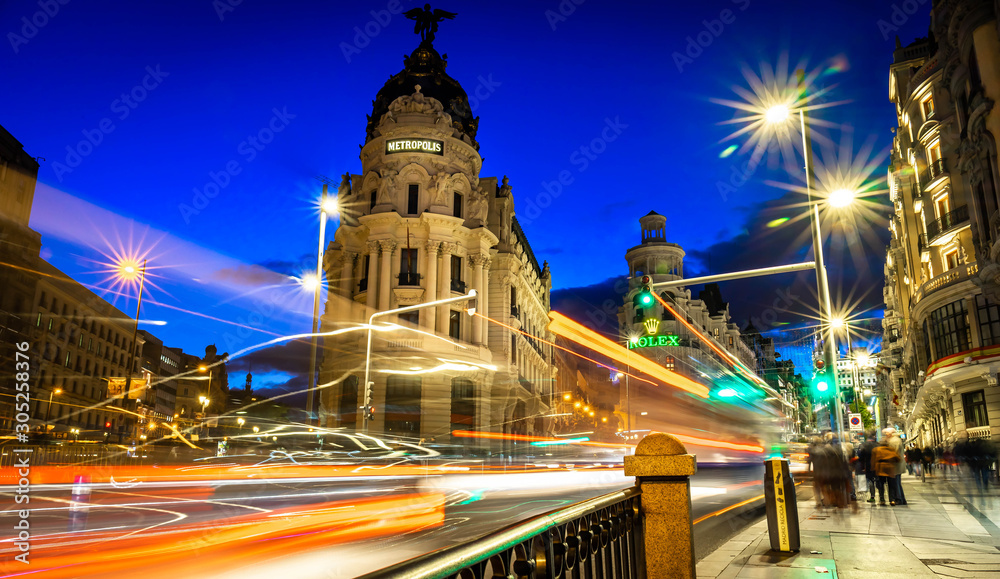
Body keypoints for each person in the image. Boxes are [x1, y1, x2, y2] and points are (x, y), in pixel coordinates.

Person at [872, 437, 901, 506]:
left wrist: (873, 469)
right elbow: (898, 459)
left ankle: (882, 499)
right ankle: (892, 500)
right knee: (891, 485)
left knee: (881, 485)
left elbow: (873, 461)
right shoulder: (891, 449)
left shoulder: (876, 450)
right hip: (890, 468)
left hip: (880, 469)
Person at [884, 427, 907, 505]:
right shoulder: (896, 440)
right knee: (897, 482)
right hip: (897, 464)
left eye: (886, 433)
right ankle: (902, 499)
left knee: (895, 483)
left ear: (890, 433)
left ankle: (899, 499)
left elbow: (893, 453)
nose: (886, 435)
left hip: (895, 465)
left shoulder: (894, 441)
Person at [857, 430, 878, 503]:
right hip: (878, 465)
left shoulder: (863, 445)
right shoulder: (878, 444)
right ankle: (882, 498)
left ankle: (872, 496)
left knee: (870, 480)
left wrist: (862, 467)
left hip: (868, 465)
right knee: (879, 481)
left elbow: (860, 457)